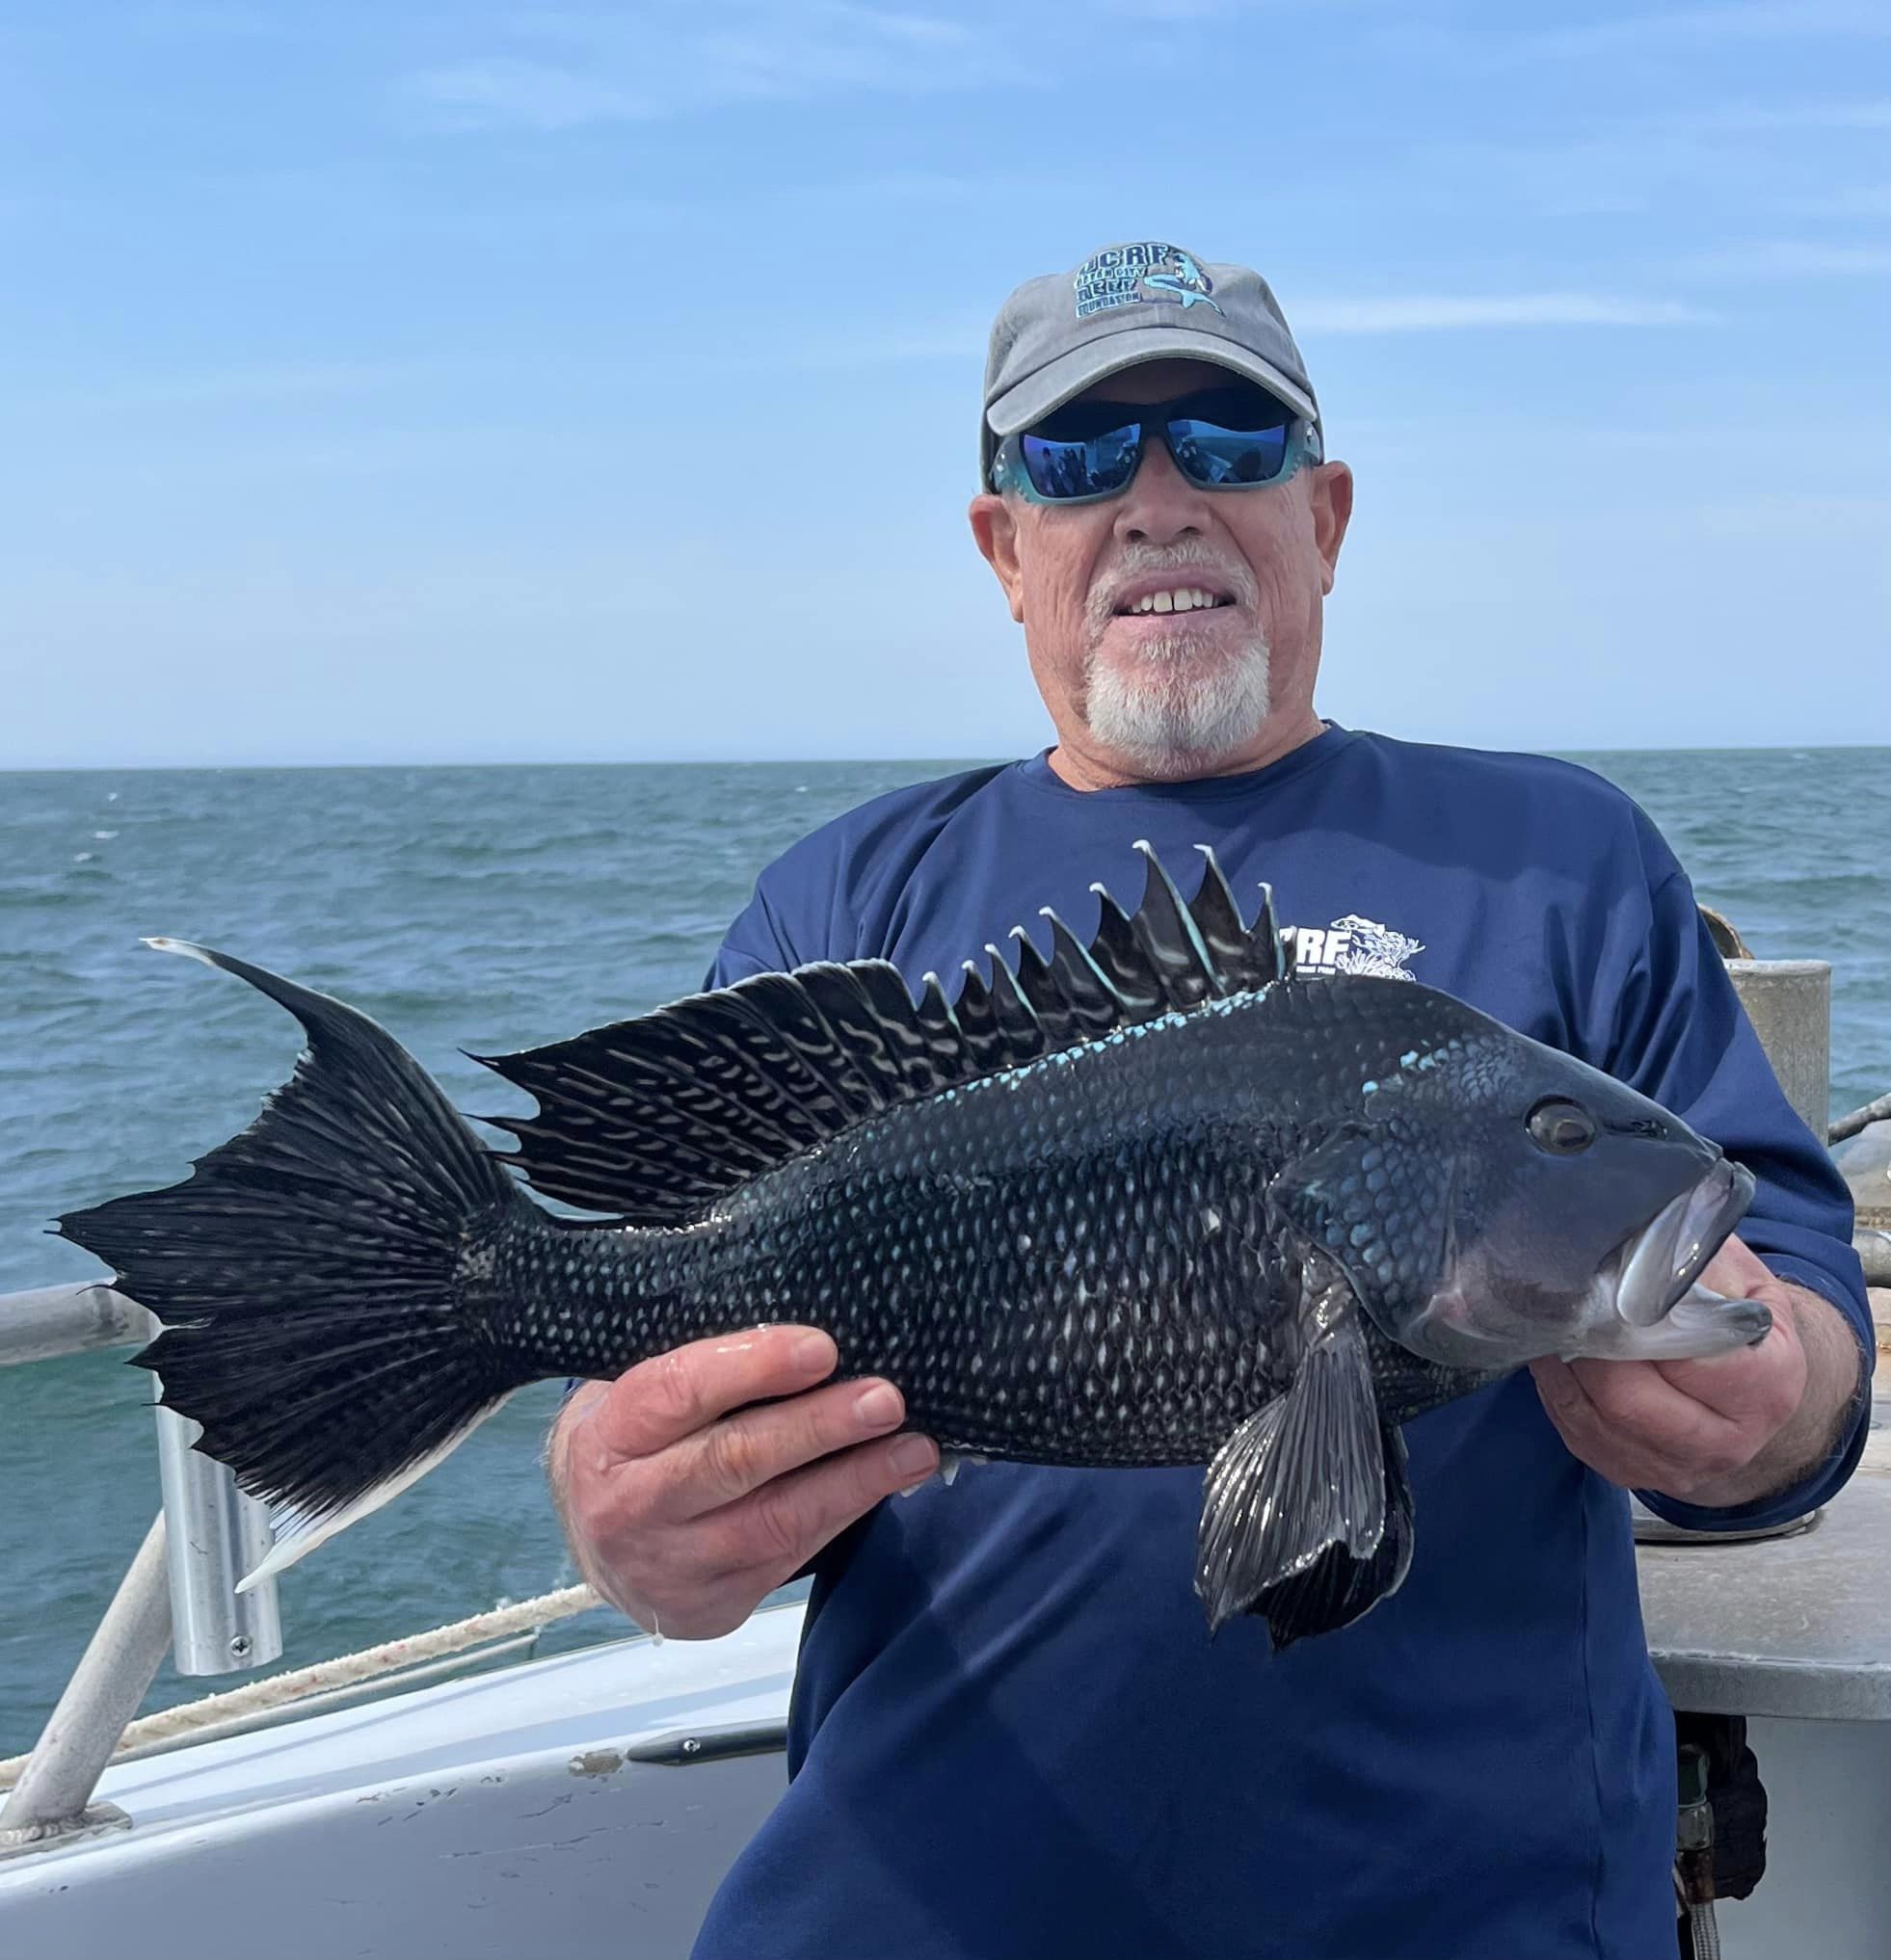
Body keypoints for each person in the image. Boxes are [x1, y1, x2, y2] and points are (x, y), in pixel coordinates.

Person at [548, 243, 1872, 1959]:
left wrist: (1765, 1399)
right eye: (1080, 460)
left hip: (1472, 1916)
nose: (1159, 502)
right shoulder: (843, 902)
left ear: (1321, 516)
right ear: (1000, 542)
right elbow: (652, 1354)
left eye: (1229, 447)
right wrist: (623, 1508)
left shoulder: (1563, 859)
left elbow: (1799, 1340)